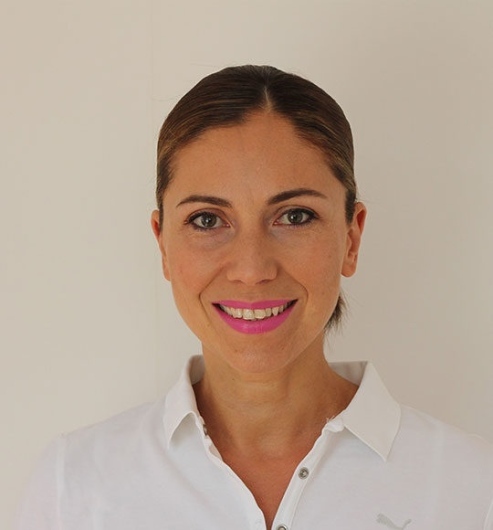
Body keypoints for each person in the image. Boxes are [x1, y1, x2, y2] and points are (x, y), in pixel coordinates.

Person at [17, 65, 493, 530]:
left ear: (351, 238)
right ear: (162, 244)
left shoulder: (474, 487)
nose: (251, 270)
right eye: (207, 220)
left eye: (295, 216)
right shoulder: (73, 486)